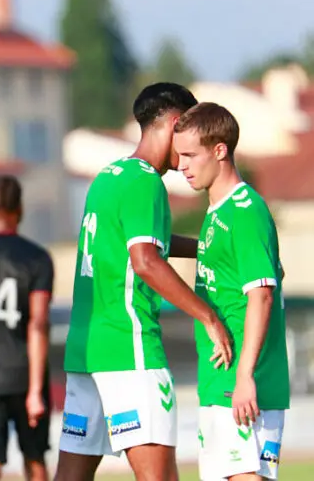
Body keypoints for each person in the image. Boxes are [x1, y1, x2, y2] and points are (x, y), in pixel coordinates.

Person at [54, 82, 234, 481]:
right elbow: (147, 261)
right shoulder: (146, 182)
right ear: (173, 123)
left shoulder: (108, 177)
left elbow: (149, 245)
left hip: (86, 352)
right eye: (188, 133)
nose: (190, 146)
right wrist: (208, 317)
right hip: (130, 349)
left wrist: (207, 247)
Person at [173, 102, 289, 481]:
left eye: (190, 155)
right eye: (179, 155)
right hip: (221, 379)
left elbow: (263, 294)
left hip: (239, 382)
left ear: (220, 150)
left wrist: (244, 376)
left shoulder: (245, 210)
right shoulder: (217, 212)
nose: (182, 165)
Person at [0, 175, 55, 481]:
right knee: (35, 460)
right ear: (20, 208)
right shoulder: (36, 258)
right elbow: (39, 323)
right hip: (23, 372)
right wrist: (34, 391)